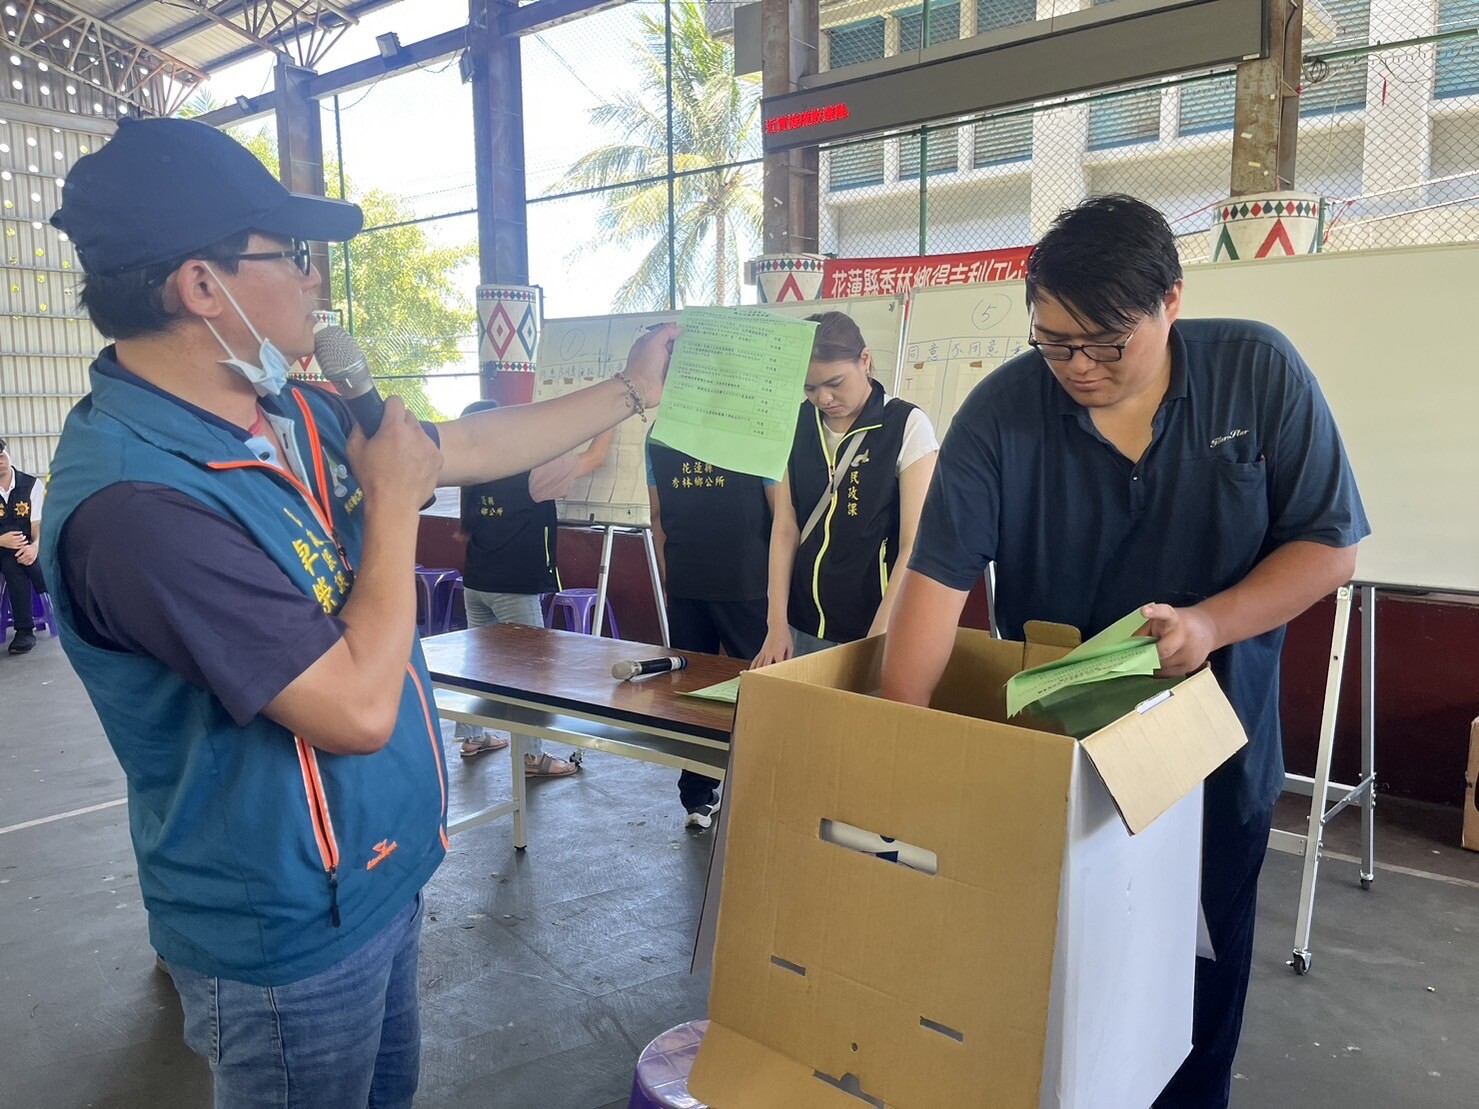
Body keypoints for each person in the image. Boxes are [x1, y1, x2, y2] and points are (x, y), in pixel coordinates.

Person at [41, 116, 676, 1109]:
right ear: (200, 287)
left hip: (378, 874)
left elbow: (462, 447)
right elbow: (353, 708)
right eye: (288, 256)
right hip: (287, 931)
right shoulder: (139, 507)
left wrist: (631, 392)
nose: (312, 281)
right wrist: (389, 504)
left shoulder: (283, 410)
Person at [880, 194, 1368, 1109]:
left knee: (1189, 1008)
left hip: (1209, 763)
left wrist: (1211, 624)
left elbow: (1329, 545)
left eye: (1105, 343)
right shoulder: (1000, 412)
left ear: (1171, 302)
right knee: (1051, 1005)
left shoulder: (1256, 373)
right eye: (1053, 342)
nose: (1078, 366)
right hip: (1052, 768)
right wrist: (899, 767)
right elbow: (933, 591)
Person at [753, 311, 938, 666]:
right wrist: (776, 624)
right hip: (802, 625)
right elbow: (786, 526)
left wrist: (878, 637)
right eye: (810, 388)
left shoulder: (906, 425)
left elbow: (913, 544)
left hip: (874, 625)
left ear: (865, 361)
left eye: (834, 382)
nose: (823, 398)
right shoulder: (795, 425)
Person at [454, 398, 613, 777]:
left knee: (482, 668)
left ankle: (473, 737)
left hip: (476, 584)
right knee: (529, 675)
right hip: (515, 589)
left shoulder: (470, 471)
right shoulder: (530, 471)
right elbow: (595, 459)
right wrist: (612, 413)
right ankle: (531, 757)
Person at [647, 438, 774, 828]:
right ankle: (760, 795)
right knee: (761, 689)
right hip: (749, 581)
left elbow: (657, 516)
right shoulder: (756, 420)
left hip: (688, 578)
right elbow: (780, 514)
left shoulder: (661, 431)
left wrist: (673, 583)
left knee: (691, 691)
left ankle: (697, 798)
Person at [0, 437, 46, 655]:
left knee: (14, 562)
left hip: (26, 549)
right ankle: (25, 630)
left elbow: (37, 524)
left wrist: (34, 547)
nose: (0, 461)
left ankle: (25, 632)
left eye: (1, 455)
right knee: (10, 559)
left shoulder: (31, 485)